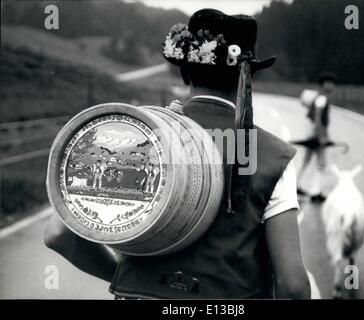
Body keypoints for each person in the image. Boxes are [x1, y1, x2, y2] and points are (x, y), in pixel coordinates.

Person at [44, 9, 310, 299]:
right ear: (247, 78)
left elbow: (58, 233)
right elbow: (293, 286)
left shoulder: (138, 134)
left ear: (184, 72)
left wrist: (125, 277)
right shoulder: (272, 155)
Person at [296, 72, 336, 203]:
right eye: (328, 83)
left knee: (305, 161)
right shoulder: (322, 98)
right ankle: (315, 191)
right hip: (316, 135)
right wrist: (321, 136)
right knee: (321, 164)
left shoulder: (318, 97)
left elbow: (311, 116)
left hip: (312, 133)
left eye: (332, 83)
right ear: (322, 85)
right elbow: (318, 117)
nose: (331, 86)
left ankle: (294, 186)